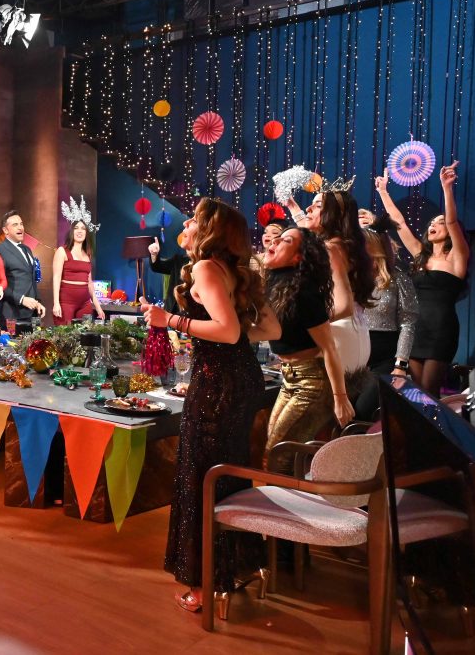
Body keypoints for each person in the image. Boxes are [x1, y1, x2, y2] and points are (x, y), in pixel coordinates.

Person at [142, 198, 276, 615]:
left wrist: (171, 321)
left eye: (194, 220)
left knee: (201, 473)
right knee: (227, 469)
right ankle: (232, 567)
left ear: (211, 230)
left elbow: (227, 330)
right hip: (241, 379)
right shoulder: (235, 270)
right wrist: (230, 338)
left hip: (217, 384)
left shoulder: (205, 268)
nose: (186, 223)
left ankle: (204, 582)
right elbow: (270, 328)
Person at [263, 226, 354, 471]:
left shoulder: (304, 291)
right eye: (276, 238)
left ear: (297, 257)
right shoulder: (275, 283)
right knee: (275, 453)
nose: (275, 242)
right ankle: (286, 493)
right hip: (289, 377)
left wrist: (340, 398)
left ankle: (284, 496)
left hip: (311, 382)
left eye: (285, 240)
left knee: (276, 455)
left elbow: (329, 348)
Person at [376, 163, 469, 397]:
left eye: (439, 222)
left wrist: (446, 188)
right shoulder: (420, 255)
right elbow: (399, 223)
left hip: (440, 329)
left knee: (429, 393)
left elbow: (452, 222)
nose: (433, 225)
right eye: (431, 223)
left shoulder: (457, 256)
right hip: (415, 329)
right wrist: (383, 192)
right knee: (415, 394)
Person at [290, 184, 376, 375]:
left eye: (317, 205)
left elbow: (344, 305)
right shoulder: (344, 246)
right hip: (353, 334)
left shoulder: (330, 249)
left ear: (334, 214)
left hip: (337, 336)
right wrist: (293, 207)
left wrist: (301, 325)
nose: (308, 209)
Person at [354, 220, 418, 420]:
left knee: (363, 410)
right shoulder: (352, 278)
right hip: (354, 357)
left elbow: (408, 324)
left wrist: (401, 365)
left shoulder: (398, 279)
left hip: (385, 359)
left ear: (374, 247)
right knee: (344, 411)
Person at [0, 210, 44, 328]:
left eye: (21, 224)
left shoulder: (27, 249)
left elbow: (31, 279)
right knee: (12, 341)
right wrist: (21, 299)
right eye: (15, 225)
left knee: (35, 340)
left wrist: (37, 302)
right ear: (5, 230)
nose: (20, 227)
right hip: (12, 313)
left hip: (32, 313)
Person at [52, 216, 105, 325]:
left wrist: (98, 307)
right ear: (72, 231)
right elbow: (56, 278)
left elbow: (89, 283)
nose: (79, 231)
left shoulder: (88, 255)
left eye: (83, 228)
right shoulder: (62, 251)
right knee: (65, 333)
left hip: (85, 303)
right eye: (76, 228)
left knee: (85, 332)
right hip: (66, 302)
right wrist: (56, 303)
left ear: (86, 233)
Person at [147, 236, 189, 315]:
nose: (184, 230)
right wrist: (154, 254)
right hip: (171, 311)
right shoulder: (178, 259)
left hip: (192, 315)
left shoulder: (207, 263)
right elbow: (157, 267)